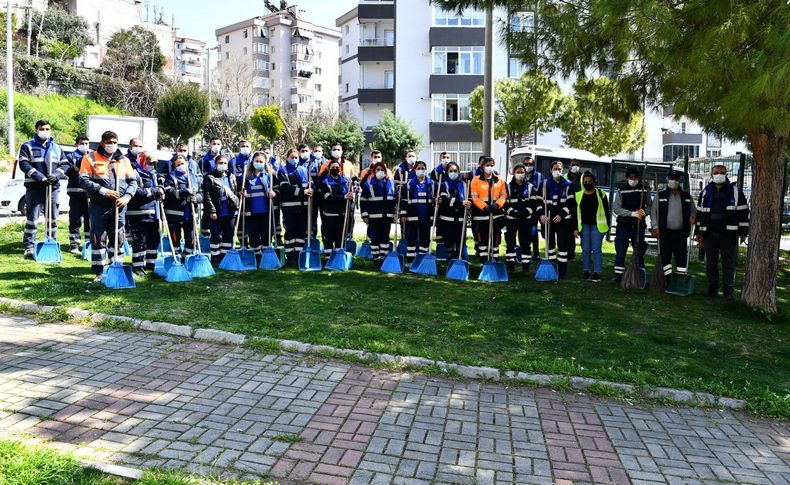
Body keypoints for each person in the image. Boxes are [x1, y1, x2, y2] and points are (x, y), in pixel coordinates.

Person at [79, 131, 138, 282]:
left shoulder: (123, 160)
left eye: (115, 142)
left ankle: (115, 267)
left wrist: (127, 197)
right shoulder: (90, 158)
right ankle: (99, 271)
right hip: (99, 205)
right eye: (109, 142)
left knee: (118, 237)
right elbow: (83, 181)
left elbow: (133, 182)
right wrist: (104, 191)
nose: (112, 145)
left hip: (119, 205)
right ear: (102, 143)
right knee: (98, 238)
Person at [18, 120, 70, 259]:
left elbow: (65, 165)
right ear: (36, 129)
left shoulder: (56, 148)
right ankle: (29, 247)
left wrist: (57, 175)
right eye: (42, 128)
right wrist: (40, 177)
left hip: (53, 188)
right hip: (35, 187)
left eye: (47, 129)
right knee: (32, 219)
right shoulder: (27, 146)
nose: (45, 131)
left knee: (52, 218)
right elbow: (24, 164)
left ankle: (50, 242)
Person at [696, 165, 749, 300]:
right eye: (716, 172)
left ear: (727, 175)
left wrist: (744, 231)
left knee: (728, 263)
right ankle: (712, 289)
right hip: (709, 234)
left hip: (728, 235)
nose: (719, 174)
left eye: (722, 172)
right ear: (711, 175)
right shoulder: (705, 192)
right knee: (711, 263)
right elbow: (700, 214)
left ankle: (728, 292)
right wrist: (699, 232)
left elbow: (743, 212)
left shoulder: (736, 192)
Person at [651, 170, 697, 279]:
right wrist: (655, 226)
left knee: (681, 256)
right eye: (671, 179)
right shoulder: (660, 195)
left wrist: (693, 216)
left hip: (681, 233)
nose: (674, 181)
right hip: (664, 233)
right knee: (665, 257)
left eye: (676, 179)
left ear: (679, 180)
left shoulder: (686, 196)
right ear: (667, 179)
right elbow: (654, 213)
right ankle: (667, 279)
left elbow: (693, 210)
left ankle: (681, 278)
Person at [611, 166, 651, 282]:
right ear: (626, 178)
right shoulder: (621, 190)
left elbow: (651, 206)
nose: (633, 179)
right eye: (630, 177)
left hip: (638, 226)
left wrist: (644, 212)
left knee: (638, 251)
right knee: (621, 250)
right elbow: (616, 208)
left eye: (635, 177)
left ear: (639, 178)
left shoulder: (644, 189)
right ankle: (618, 274)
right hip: (623, 225)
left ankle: (640, 274)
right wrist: (631, 213)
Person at [127, 151, 164, 275]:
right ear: (142, 160)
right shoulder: (133, 173)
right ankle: (138, 266)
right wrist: (154, 191)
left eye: (154, 163)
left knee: (154, 240)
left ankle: (151, 264)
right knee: (139, 241)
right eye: (149, 162)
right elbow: (136, 192)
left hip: (154, 215)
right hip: (138, 214)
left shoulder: (153, 174)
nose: (152, 165)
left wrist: (161, 190)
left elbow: (159, 187)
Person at [539, 161, 574, 278]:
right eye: (555, 168)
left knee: (563, 246)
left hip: (562, 220)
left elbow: (571, 204)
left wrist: (561, 215)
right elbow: (538, 202)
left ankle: (562, 272)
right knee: (550, 245)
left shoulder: (568, 184)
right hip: (548, 219)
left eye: (559, 169)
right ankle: (552, 268)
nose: (557, 171)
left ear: (562, 170)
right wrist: (541, 215)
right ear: (550, 170)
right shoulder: (544, 184)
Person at [163, 155, 202, 260]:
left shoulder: (194, 177)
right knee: (175, 238)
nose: (181, 166)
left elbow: (201, 193)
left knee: (191, 238)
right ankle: (176, 257)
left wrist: (197, 198)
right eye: (178, 164)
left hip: (191, 213)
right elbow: (168, 191)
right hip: (175, 214)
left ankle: (187, 257)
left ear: (187, 163)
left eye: (182, 163)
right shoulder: (171, 176)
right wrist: (184, 192)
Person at [202, 155, 239, 264]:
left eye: (225, 163)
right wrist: (212, 210)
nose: (223, 165)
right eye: (221, 163)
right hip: (217, 211)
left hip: (230, 211)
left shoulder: (231, 177)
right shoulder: (210, 177)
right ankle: (215, 257)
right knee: (216, 234)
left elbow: (234, 192)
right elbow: (207, 196)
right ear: (216, 164)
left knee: (228, 235)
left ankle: (225, 256)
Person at [574, 171, 610, 282]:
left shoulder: (601, 194)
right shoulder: (578, 195)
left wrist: (606, 226)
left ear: (594, 182)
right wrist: (575, 228)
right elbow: (575, 213)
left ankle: (597, 272)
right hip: (584, 226)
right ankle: (586, 271)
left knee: (596, 249)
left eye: (590, 181)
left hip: (598, 226)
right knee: (585, 249)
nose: (587, 183)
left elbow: (607, 211)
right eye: (585, 182)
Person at [278, 148, 312, 264]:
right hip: (289, 207)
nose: (294, 159)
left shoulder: (303, 169)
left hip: (303, 207)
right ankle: (290, 254)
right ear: (287, 158)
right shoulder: (283, 170)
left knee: (301, 232)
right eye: (292, 157)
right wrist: (303, 192)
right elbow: (285, 188)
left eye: (296, 157)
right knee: (290, 231)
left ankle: (298, 254)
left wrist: (311, 190)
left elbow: (309, 185)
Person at [470, 156, 506, 263]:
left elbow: (503, 196)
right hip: (481, 214)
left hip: (496, 214)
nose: (489, 167)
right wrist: (484, 206)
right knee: (483, 238)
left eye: (491, 165)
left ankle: (495, 258)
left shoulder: (499, 180)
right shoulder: (476, 180)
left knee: (495, 238)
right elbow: (475, 197)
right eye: (487, 165)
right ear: (482, 166)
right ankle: (484, 260)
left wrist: (497, 205)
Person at [242, 152, 277, 264]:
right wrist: (242, 193)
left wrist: (274, 193)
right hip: (252, 211)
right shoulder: (246, 177)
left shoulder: (270, 175)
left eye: (261, 161)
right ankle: (256, 255)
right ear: (252, 162)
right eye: (256, 161)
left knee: (266, 233)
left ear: (265, 162)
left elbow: (278, 191)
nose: (259, 163)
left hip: (266, 211)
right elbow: (240, 190)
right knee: (254, 234)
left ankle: (266, 255)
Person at [360, 160, 396, 268]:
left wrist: (395, 213)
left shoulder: (391, 184)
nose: (380, 172)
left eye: (382, 170)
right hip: (374, 217)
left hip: (387, 217)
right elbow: (363, 200)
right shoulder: (369, 184)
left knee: (385, 237)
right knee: (375, 238)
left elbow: (394, 200)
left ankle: (383, 256)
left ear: (385, 172)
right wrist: (365, 215)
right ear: (374, 172)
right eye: (378, 170)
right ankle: (375, 257)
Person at [505, 163, 539, 274]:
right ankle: (510, 266)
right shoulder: (508, 187)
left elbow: (534, 202)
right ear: (513, 173)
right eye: (518, 172)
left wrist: (526, 213)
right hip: (511, 218)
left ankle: (525, 267)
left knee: (525, 242)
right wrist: (513, 212)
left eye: (522, 172)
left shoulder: (530, 187)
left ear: (525, 173)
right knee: (510, 242)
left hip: (526, 219)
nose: (520, 174)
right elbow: (504, 203)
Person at [400, 161, 436, 266]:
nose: (421, 170)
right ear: (415, 170)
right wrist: (403, 214)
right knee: (411, 240)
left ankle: (422, 261)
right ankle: (410, 261)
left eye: (423, 168)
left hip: (426, 217)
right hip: (412, 217)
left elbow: (435, 200)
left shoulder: (432, 184)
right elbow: (404, 201)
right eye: (419, 168)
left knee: (425, 240)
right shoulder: (409, 184)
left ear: (426, 169)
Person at [437, 161, 471, 262]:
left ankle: (460, 261)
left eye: (455, 171)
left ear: (459, 172)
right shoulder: (443, 185)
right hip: (447, 219)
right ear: (447, 172)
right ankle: (450, 262)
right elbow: (444, 200)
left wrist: (469, 204)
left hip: (461, 219)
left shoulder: (465, 185)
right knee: (449, 243)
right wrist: (460, 203)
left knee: (460, 241)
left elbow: (469, 199)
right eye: (451, 171)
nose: (453, 172)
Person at [318, 159, 353, 255]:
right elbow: (327, 197)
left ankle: (338, 256)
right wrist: (344, 197)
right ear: (329, 169)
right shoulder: (325, 182)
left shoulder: (345, 181)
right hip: (329, 214)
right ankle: (328, 256)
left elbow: (349, 194)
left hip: (342, 214)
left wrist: (351, 196)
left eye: (337, 167)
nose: (335, 169)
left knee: (340, 236)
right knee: (329, 236)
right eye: (333, 167)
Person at [65, 136, 92, 256]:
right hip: (75, 192)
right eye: (82, 143)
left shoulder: (92, 156)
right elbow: (68, 171)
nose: (85, 145)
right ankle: (74, 244)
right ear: (76, 144)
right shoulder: (71, 156)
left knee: (89, 219)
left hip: (89, 193)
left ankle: (88, 243)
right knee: (75, 219)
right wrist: (79, 164)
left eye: (86, 143)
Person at [524, 157, 544, 262]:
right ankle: (525, 251)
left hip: (535, 207)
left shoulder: (539, 176)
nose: (528, 166)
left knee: (534, 230)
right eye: (526, 164)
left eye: (530, 164)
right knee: (523, 231)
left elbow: (541, 192)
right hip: (522, 208)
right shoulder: (520, 174)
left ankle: (536, 253)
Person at [565, 159, 583, 261]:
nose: (575, 166)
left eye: (577, 165)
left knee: (581, 232)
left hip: (581, 208)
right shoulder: (564, 177)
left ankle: (586, 255)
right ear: (569, 166)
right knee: (569, 232)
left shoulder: (583, 177)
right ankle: (570, 254)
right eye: (573, 165)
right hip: (569, 207)